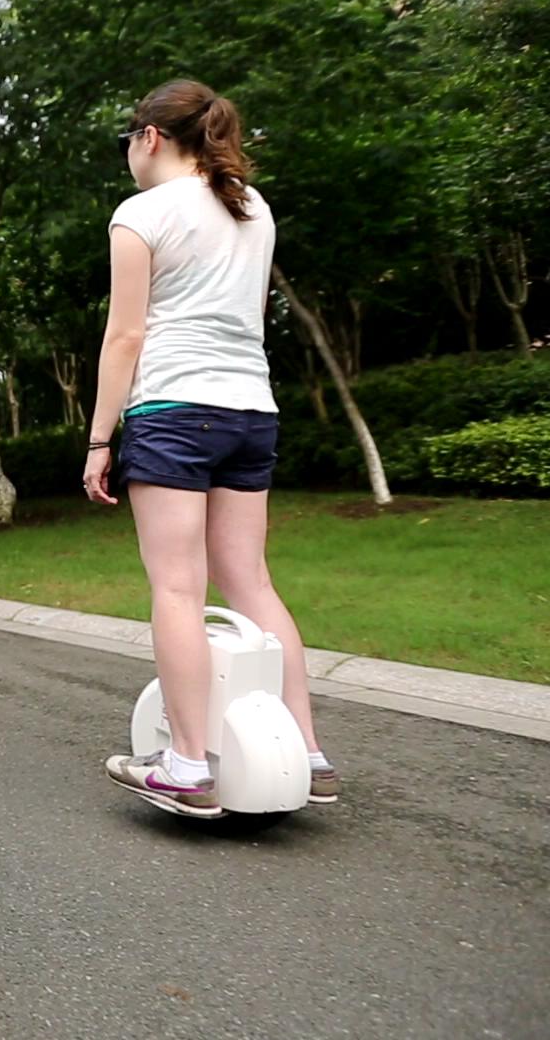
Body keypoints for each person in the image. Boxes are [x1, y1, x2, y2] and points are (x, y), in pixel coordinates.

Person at [87, 79, 338, 817]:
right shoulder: (252, 207)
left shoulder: (140, 214)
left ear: (150, 137)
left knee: (177, 588)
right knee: (251, 582)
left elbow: (126, 335)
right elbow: (246, 318)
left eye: (128, 141)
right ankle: (310, 753)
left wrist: (100, 439)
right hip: (250, 410)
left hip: (173, 409)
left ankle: (186, 765)